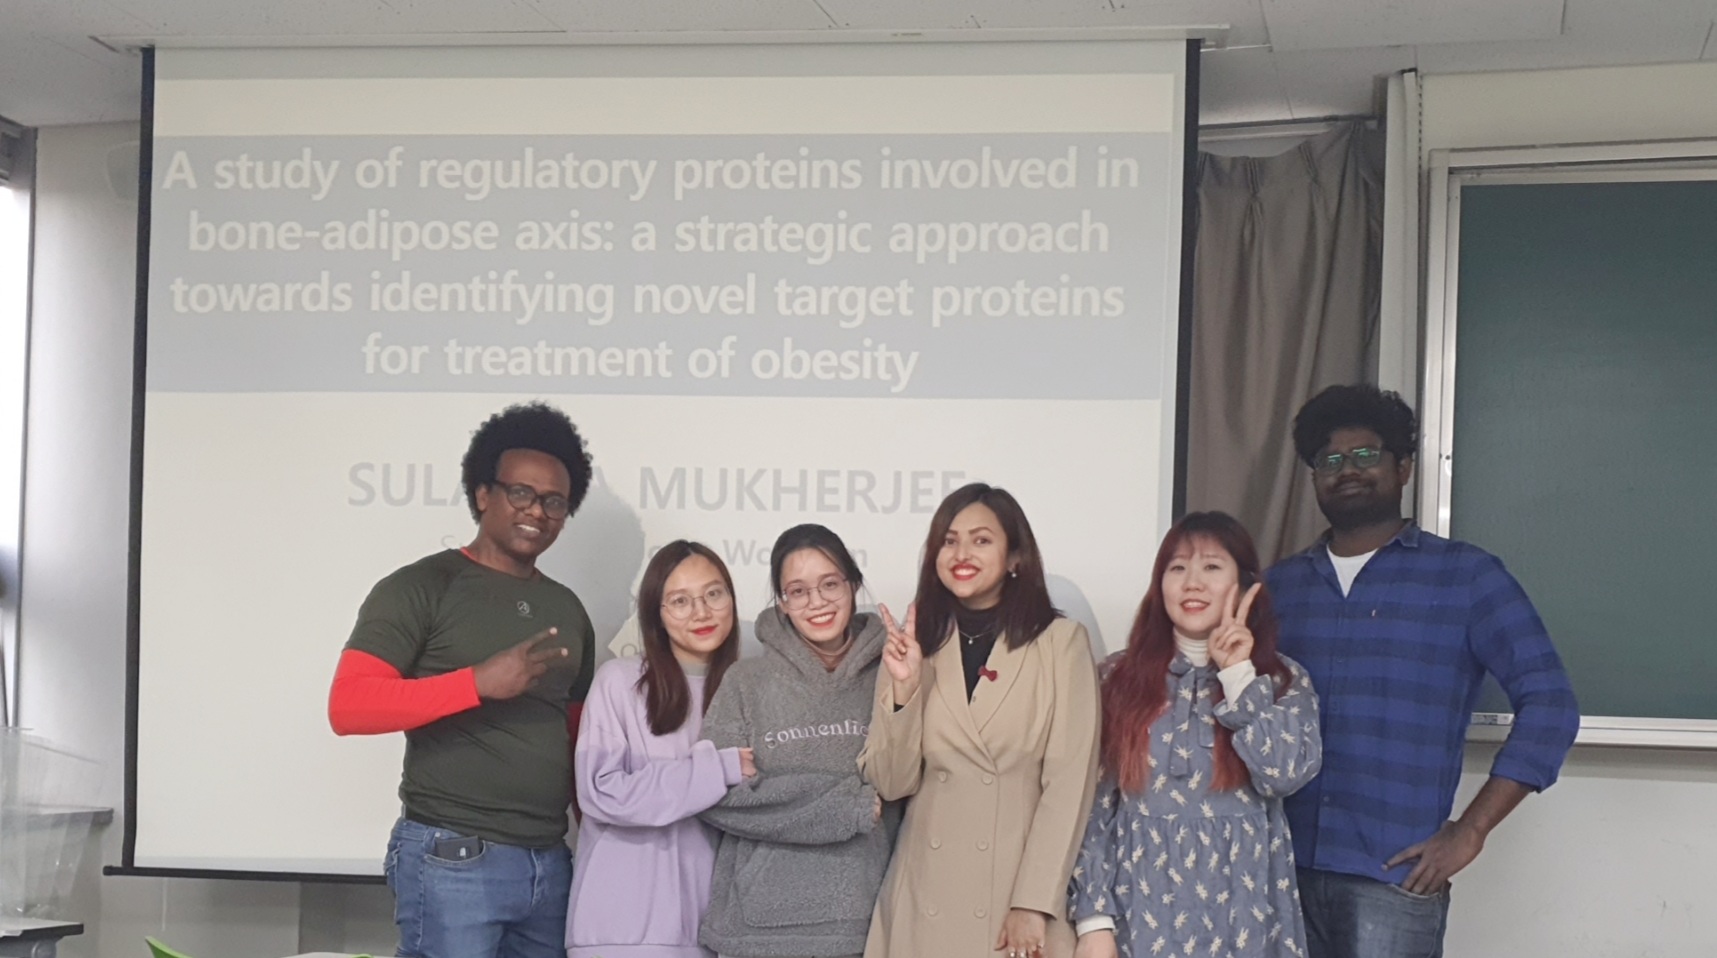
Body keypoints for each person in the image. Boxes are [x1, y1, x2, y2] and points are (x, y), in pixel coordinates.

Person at [1267, 385, 1579, 958]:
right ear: (1314, 478)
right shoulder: (1278, 589)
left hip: (1394, 877)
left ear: (1404, 467)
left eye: (1366, 454)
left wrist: (1471, 829)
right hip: (1277, 874)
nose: (1347, 470)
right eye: (1330, 460)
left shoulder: (1467, 578)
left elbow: (1551, 704)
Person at [327, 402, 596, 958]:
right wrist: (475, 682)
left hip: (549, 862)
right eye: (521, 492)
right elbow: (348, 705)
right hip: (453, 855)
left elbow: (575, 738)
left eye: (554, 501)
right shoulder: (421, 586)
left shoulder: (567, 607)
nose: (537, 510)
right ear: (482, 494)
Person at [860, 482, 1101, 958]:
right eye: (949, 541)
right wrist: (905, 691)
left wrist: (1033, 902)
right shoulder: (913, 643)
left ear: (1015, 557)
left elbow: (1070, 786)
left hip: (1015, 898)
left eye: (981, 540)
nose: (961, 554)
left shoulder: (1060, 643)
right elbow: (890, 783)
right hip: (923, 896)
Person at [1068, 511, 1322, 958]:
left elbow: (1284, 775)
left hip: (1244, 914)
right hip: (1138, 912)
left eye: (1211, 567)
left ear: (1244, 585)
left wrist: (1238, 676)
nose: (1192, 583)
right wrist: (1093, 920)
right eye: (1178, 567)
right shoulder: (1115, 678)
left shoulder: (1283, 680)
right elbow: (1090, 808)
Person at [696, 524, 895, 958]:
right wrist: (846, 806)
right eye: (798, 591)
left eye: (830, 584)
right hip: (759, 929)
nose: (817, 602)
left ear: (853, 584)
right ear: (782, 603)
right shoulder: (746, 682)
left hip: (872, 924)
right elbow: (714, 794)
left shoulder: (892, 675)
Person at [566, 540, 754, 958]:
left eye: (713, 594)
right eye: (680, 601)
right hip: (624, 933)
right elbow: (602, 791)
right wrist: (716, 770)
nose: (701, 612)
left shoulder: (750, 689)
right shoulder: (619, 681)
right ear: (656, 614)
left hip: (718, 933)